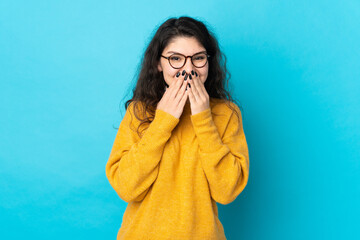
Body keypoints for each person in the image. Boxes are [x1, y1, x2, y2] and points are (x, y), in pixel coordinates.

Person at [105, 16, 250, 240]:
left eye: (198, 58)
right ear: (158, 63)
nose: (188, 69)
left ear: (208, 61)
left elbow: (227, 191)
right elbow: (126, 187)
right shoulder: (138, 113)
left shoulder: (226, 115)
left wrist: (203, 118)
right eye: (176, 59)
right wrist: (163, 121)